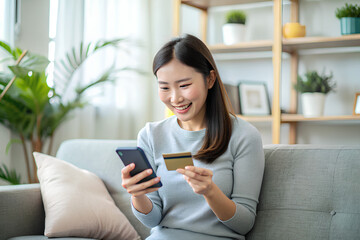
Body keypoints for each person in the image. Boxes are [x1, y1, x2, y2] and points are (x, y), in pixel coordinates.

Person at [121, 34, 265, 240]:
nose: (175, 98)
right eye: (164, 87)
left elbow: (244, 224)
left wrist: (211, 192)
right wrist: (137, 194)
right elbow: (152, 220)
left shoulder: (244, 136)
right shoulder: (151, 135)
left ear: (210, 79)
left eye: (184, 85)